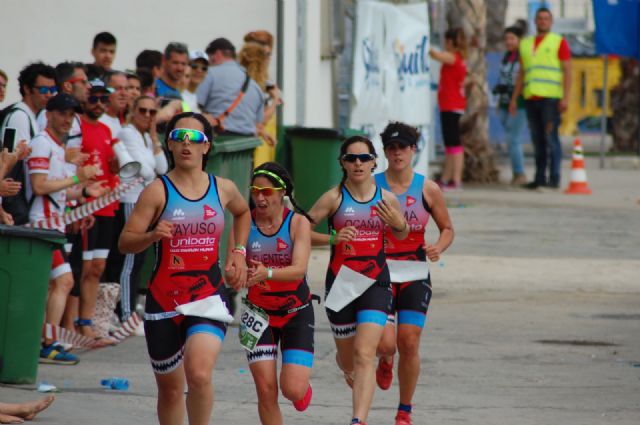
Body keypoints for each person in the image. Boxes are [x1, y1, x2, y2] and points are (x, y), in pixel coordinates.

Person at [118, 112, 250, 424]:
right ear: (170, 146)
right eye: (179, 138)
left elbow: (243, 213)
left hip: (207, 296)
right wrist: (151, 236)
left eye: (195, 139)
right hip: (163, 301)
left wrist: (239, 252)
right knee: (171, 390)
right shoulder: (157, 191)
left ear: (207, 147)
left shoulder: (223, 188)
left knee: (199, 373)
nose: (186, 145)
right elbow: (126, 241)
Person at [308, 135, 409, 425]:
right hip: (341, 284)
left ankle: (358, 421)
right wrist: (332, 237)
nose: (358, 163)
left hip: (376, 280)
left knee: (367, 353)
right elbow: (299, 229)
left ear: (374, 161)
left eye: (364, 158)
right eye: (351, 158)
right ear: (342, 163)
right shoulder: (334, 197)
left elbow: (401, 234)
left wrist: (398, 224)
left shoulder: (386, 198)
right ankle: (349, 371)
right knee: (350, 360)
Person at [373, 122, 454, 425]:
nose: (397, 153)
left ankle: (404, 410)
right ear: (385, 152)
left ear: (413, 150)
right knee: (386, 343)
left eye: (403, 147)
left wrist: (438, 247)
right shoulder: (372, 186)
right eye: (392, 148)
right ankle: (385, 359)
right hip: (379, 271)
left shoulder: (428, 188)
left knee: (409, 341)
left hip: (415, 271)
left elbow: (447, 228)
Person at [26, 93, 103, 364]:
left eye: (71, 115)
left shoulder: (56, 146)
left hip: (53, 225)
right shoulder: (42, 144)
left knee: (53, 285)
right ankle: (48, 343)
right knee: (64, 281)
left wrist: (82, 193)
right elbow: (39, 186)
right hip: (42, 225)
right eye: (62, 113)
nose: (67, 119)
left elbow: (56, 190)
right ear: (48, 115)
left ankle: (44, 339)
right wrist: (76, 177)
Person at [240, 162, 314, 423]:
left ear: (282, 192)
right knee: (265, 391)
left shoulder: (298, 223)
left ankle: (300, 389)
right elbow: (232, 265)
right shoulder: (244, 221)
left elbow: (298, 271)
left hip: (296, 312)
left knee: (292, 388)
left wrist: (266, 273)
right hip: (258, 316)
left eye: (266, 191)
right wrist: (233, 271)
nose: (260, 197)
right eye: (255, 190)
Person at [116, 95, 168, 322]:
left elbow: (163, 168)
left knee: (140, 261)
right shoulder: (128, 132)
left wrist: (155, 138)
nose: (148, 116)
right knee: (131, 259)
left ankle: (128, 309)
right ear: (133, 110)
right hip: (131, 199)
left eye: (152, 112)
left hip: (144, 201)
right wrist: (150, 168)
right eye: (143, 111)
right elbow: (147, 171)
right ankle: (126, 313)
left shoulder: (146, 136)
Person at [77, 79, 121, 344]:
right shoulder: (77, 126)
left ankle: (88, 324)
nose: (99, 104)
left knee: (98, 267)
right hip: (86, 207)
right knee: (83, 268)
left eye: (104, 99)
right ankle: (76, 325)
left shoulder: (106, 128)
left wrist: (115, 167)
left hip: (108, 206)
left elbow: (110, 166)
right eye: (94, 98)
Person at [510, 7, 572, 190]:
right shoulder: (526, 44)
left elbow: (568, 71)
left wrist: (566, 98)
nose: (543, 21)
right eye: (540, 18)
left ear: (551, 22)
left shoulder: (558, 42)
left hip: (551, 99)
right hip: (531, 98)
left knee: (550, 138)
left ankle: (554, 178)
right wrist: (515, 98)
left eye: (546, 18)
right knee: (537, 140)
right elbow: (521, 73)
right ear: (535, 21)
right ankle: (539, 178)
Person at [198, 38, 265, 137]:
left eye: (208, 57)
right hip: (246, 145)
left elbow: (195, 106)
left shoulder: (210, 74)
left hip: (219, 142)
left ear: (217, 54)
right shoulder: (255, 86)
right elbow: (259, 123)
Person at [429, 28, 468, 191]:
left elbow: (436, 55)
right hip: (449, 105)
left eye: (446, 41)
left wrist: (424, 43)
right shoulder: (457, 58)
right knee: (449, 145)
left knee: (454, 143)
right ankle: (446, 177)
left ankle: (456, 179)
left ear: (450, 42)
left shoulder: (453, 57)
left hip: (452, 106)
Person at [238, 40, 281, 164]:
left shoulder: (238, 79)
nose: (268, 59)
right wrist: (275, 100)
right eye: (266, 55)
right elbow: (261, 119)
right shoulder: (256, 87)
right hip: (249, 139)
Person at [494, 26, 528, 185]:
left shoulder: (523, 56)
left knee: (513, 139)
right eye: (506, 38)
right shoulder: (507, 56)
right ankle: (516, 173)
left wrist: (514, 99)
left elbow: (521, 80)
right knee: (510, 138)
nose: (509, 42)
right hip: (504, 103)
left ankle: (520, 173)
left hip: (518, 103)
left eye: (512, 38)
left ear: (520, 39)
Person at [1, 62, 57, 145]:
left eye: (52, 89)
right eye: (43, 89)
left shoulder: (31, 115)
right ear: (27, 89)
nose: (48, 95)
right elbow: (16, 156)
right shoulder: (19, 117)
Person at [99, 71, 129, 136]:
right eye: (117, 88)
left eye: (126, 89)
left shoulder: (124, 122)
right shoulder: (98, 121)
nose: (124, 93)